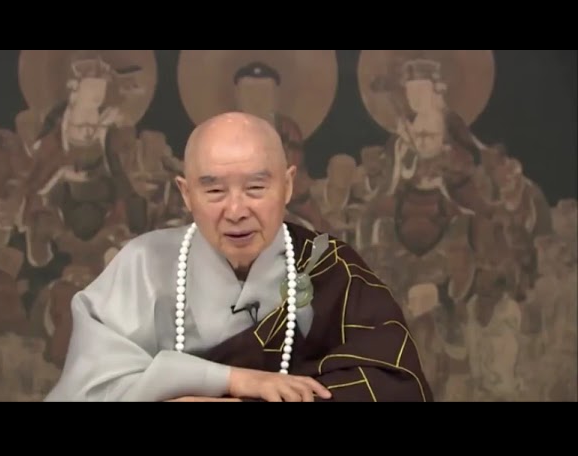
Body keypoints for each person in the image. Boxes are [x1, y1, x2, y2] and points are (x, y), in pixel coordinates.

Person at [44, 112, 432, 402]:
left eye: (255, 188)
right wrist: (234, 380)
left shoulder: (328, 268)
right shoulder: (141, 266)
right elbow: (88, 391)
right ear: (185, 193)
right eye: (214, 191)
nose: (235, 211)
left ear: (288, 185)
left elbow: (394, 386)